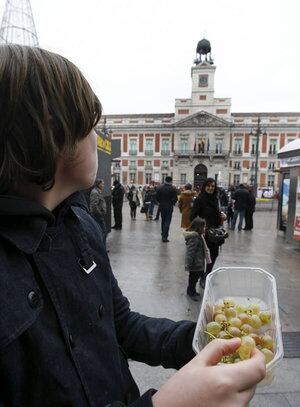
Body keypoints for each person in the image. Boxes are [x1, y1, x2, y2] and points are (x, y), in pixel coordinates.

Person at [0, 44, 266, 406]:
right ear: (50, 132)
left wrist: (200, 339)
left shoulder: (82, 226)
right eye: (90, 123)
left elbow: (120, 324)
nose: (99, 136)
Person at [190, 178, 225, 286]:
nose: (210, 188)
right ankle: (201, 277)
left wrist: (223, 216)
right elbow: (192, 217)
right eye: (208, 186)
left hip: (215, 232)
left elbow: (217, 215)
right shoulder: (199, 200)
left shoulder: (216, 199)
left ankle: (207, 275)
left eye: (212, 186)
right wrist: (202, 226)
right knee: (202, 256)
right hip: (204, 233)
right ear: (204, 187)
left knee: (214, 254)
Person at [184, 217, 211, 301]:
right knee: (193, 279)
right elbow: (190, 252)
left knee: (195, 278)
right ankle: (190, 292)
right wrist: (188, 264)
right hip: (195, 263)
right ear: (198, 227)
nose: (205, 228)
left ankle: (192, 291)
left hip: (198, 262)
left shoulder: (199, 236)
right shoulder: (195, 238)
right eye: (203, 227)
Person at [156, 176, 178, 242]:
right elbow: (175, 199)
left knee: (163, 220)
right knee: (167, 221)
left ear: (165, 180)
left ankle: (163, 233)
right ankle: (165, 237)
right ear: (171, 181)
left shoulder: (160, 188)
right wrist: (172, 203)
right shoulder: (173, 188)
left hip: (162, 206)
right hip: (169, 206)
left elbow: (157, 197)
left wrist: (160, 202)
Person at [90, 178, 107, 245]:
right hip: (97, 215)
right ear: (98, 184)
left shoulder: (97, 191)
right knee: (103, 231)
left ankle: (102, 247)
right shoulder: (95, 192)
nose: (103, 185)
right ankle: (102, 248)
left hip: (97, 215)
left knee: (100, 232)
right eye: (102, 184)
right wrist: (100, 213)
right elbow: (94, 205)